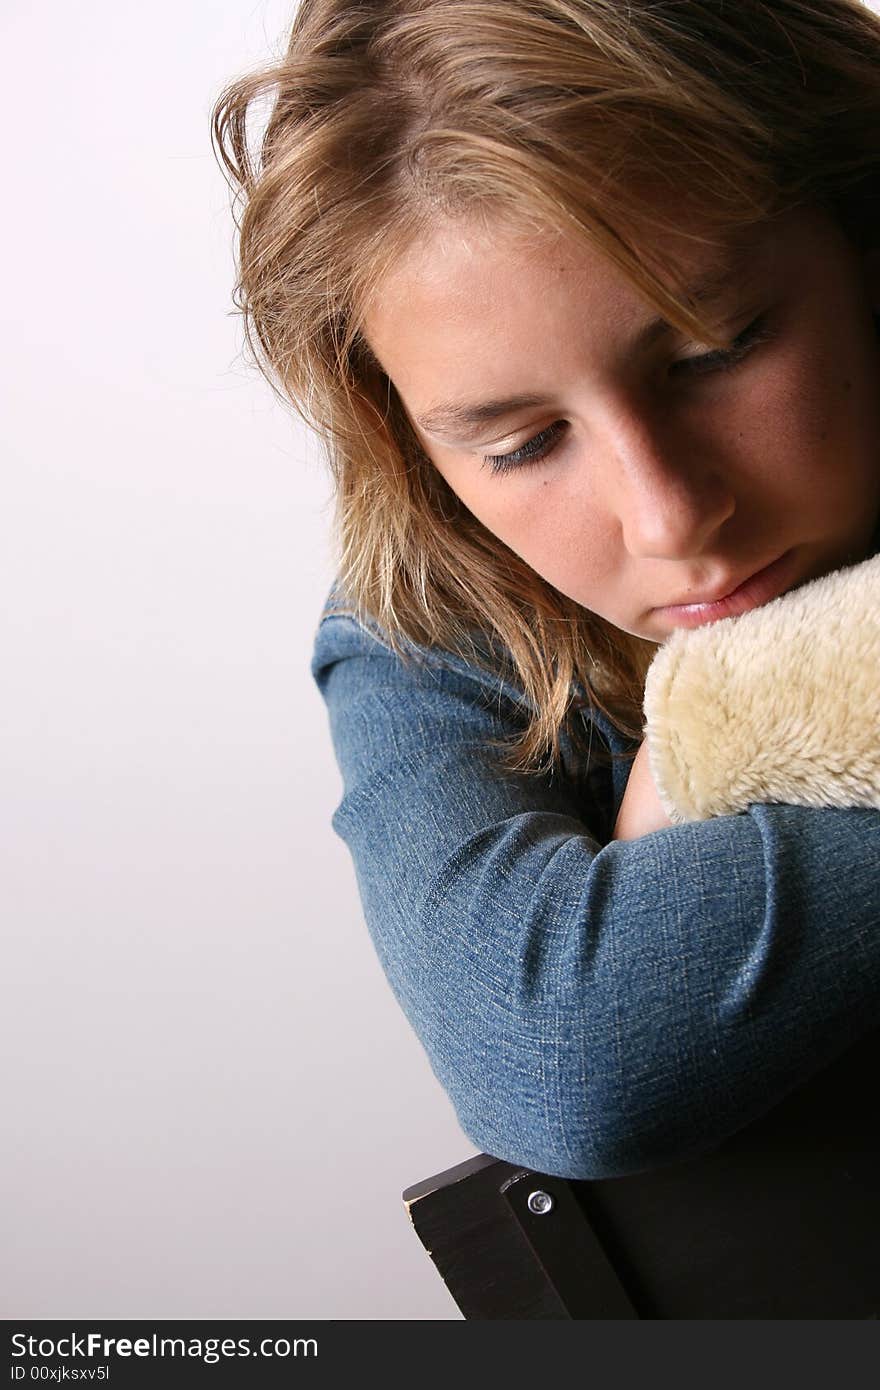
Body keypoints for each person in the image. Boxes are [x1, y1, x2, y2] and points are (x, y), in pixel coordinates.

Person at [212, 0, 880, 1181]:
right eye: (521, 445)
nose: (667, 515)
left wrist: (715, 768)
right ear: (409, 448)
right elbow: (564, 1055)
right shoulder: (433, 621)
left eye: (714, 353)